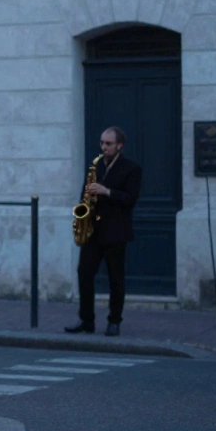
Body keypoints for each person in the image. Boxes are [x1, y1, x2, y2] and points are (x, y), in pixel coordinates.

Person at [66, 126, 142, 337]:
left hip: (116, 231)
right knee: (84, 273)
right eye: (102, 143)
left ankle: (114, 321)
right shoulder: (95, 165)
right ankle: (86, 320)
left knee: (115, 279)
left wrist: (107, 191)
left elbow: (130, 199)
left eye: (108, 144)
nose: (104, 147)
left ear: (120, 145)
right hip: (93, 230)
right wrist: (83, 209)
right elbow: (85, 194)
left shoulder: (132, 168)